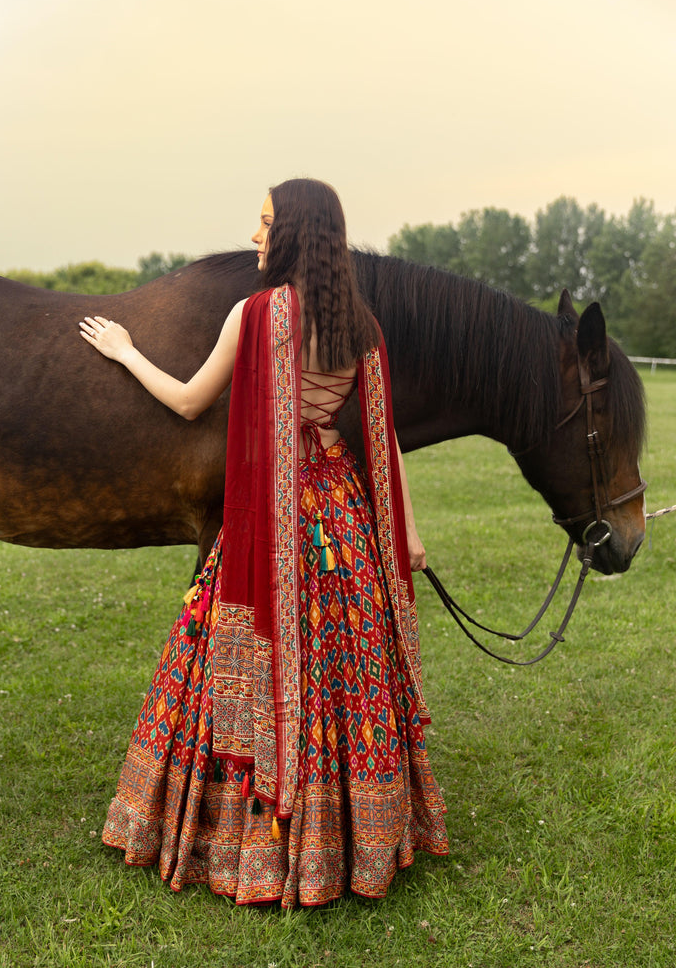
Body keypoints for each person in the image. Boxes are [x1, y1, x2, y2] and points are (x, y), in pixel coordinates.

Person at [79, 178, 448, 906]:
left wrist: (125, 352)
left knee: (243, 656)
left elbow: (188, 400)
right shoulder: (361, 327)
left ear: (293, 235)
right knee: (346, 666)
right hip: (340, 517)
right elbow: (383, 436)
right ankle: (352, 831)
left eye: (264, 222)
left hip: (270, 519)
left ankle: (245, 834)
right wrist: (409, 535)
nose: (254, 235)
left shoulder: (255, 315)